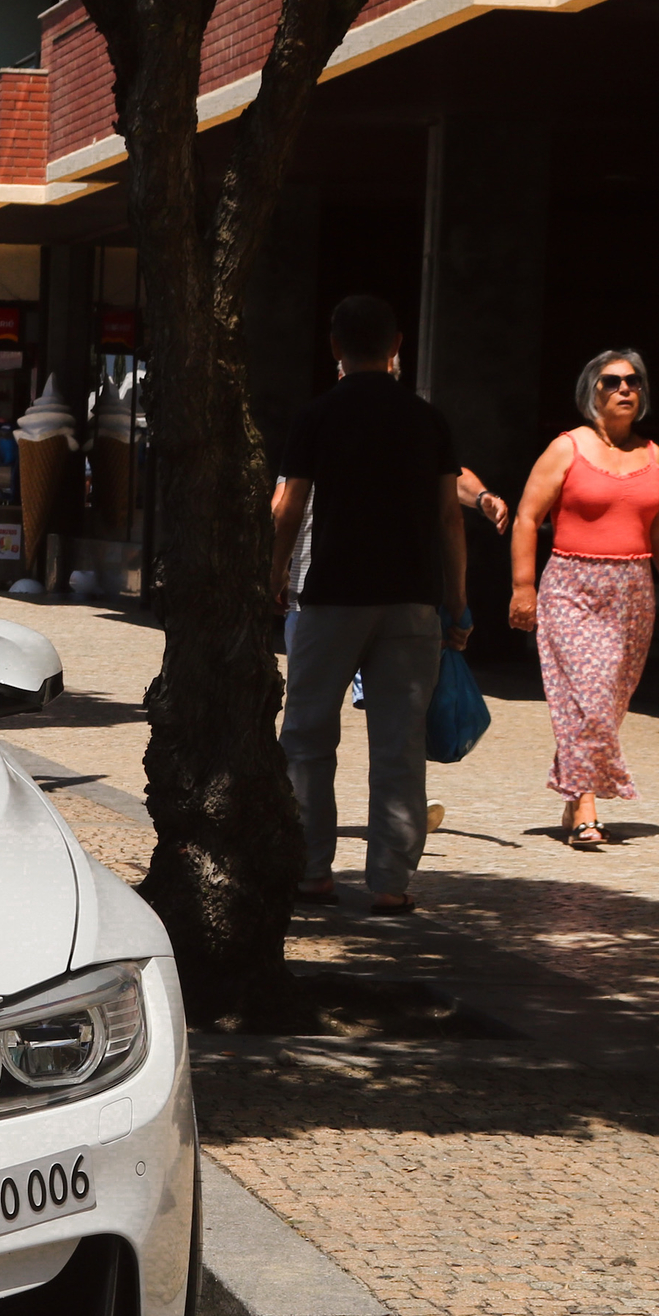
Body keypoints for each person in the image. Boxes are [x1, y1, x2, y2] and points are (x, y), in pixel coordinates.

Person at [269, 293, 468, 915]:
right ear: (397, 345)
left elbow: (290, 505)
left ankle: (310, 869)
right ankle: (390, 881)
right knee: (399, 743)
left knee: (306, 734)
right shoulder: (427, 420)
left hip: (332, 595)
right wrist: (456, 600)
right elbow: (447, 518)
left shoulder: (317, 416)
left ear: (335, 346)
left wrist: (271, 576)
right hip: (412, 600)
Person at [509, 348, 659, 848]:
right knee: (588, 697)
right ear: (593, 392)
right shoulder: (567, 448)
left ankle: (573, 793)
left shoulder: (653, 456)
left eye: (633, 381)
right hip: (572, 587)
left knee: (607, 704)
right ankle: (587, 809)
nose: (625, 389)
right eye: (612, 382)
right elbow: (527, 517)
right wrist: (524, 588)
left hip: (633, 593)